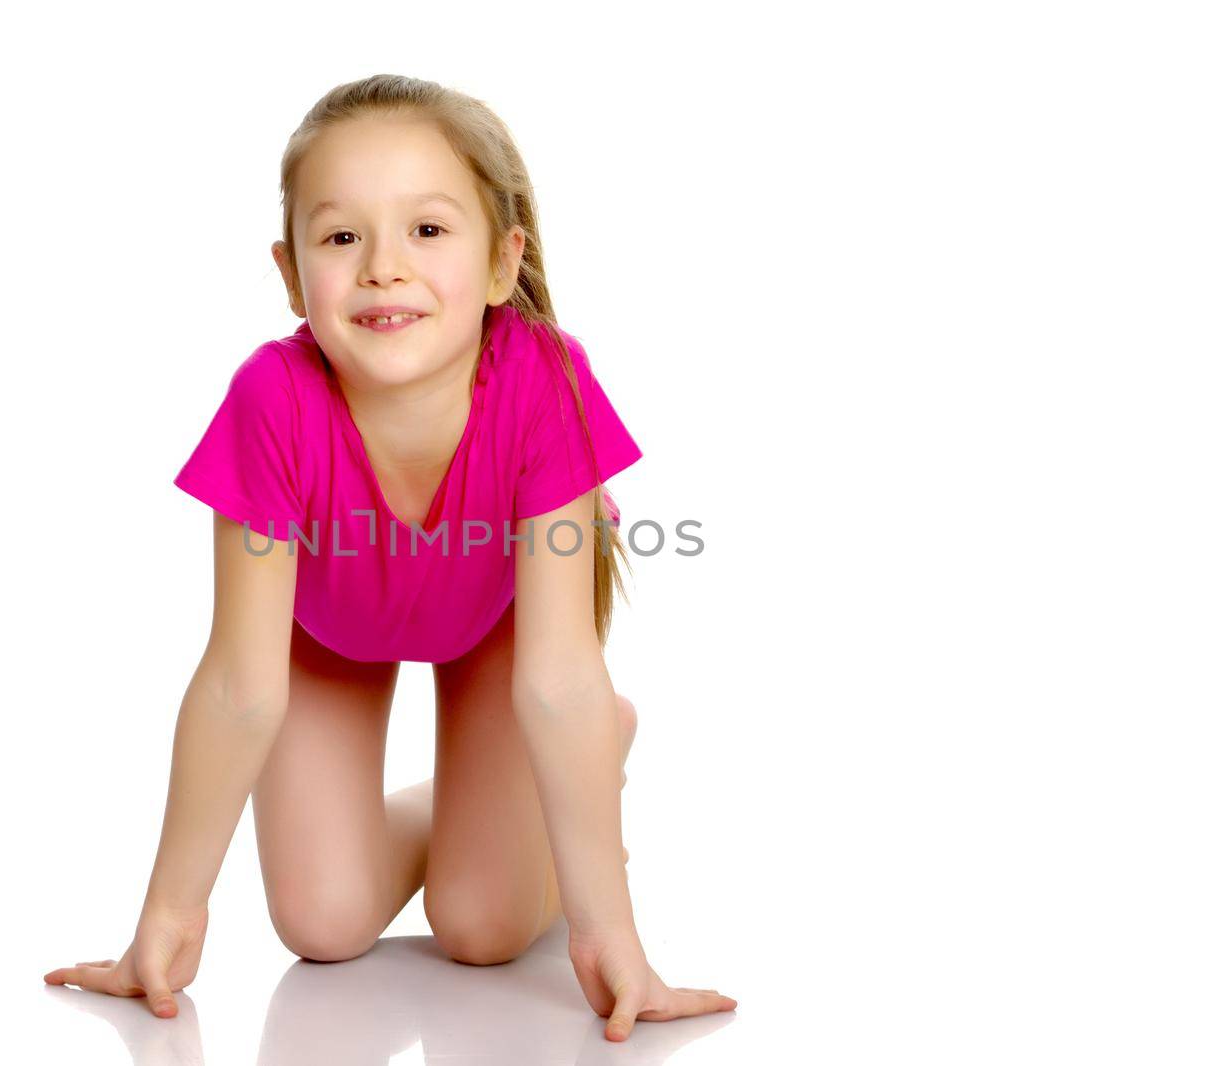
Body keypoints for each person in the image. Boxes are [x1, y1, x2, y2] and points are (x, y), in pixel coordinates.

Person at [44, 73, 735, 1044]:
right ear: (290, 275)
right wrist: (168, 914)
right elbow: (241, 683)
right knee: (321, 923)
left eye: (427, 230)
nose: (382, 269)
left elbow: (558, 680)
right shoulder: (270, 399)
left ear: (502, 263)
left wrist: (607, 925)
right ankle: (464, 808)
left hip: (498, 629)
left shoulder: (545, 379)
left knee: (483, 925)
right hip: (332, 633)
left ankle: (577, 768)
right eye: (341, 238)